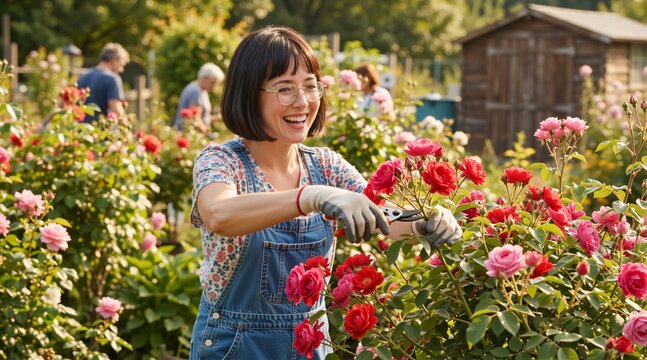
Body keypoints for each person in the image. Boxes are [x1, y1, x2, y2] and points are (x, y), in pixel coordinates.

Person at [189, 26, 462, 359]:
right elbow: (219, 214)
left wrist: (427, 221)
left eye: (310, 86)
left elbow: (383, 214)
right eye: (284, 89)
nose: (303, 101)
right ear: (249, 93)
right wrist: (309, 197)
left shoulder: (327, 166)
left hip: (309, 346)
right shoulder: (221, 161)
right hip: (234, 346)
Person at [77, 43, 129, 122]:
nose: (122, 70)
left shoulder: (83, 75)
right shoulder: (112, 79)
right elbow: (116, 109)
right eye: (121, 65)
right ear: (114, 60)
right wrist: (128, 131)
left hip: (79, 130)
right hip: (99, 130)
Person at [172, 62, 225, 132]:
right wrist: (208, 135)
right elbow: (195, 119)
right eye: (213, 83)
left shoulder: (202, 91)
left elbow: (203, 118)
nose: (214, 87)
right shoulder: (195, 92)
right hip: (186, 132)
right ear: (205, 78)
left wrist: (218, 118)